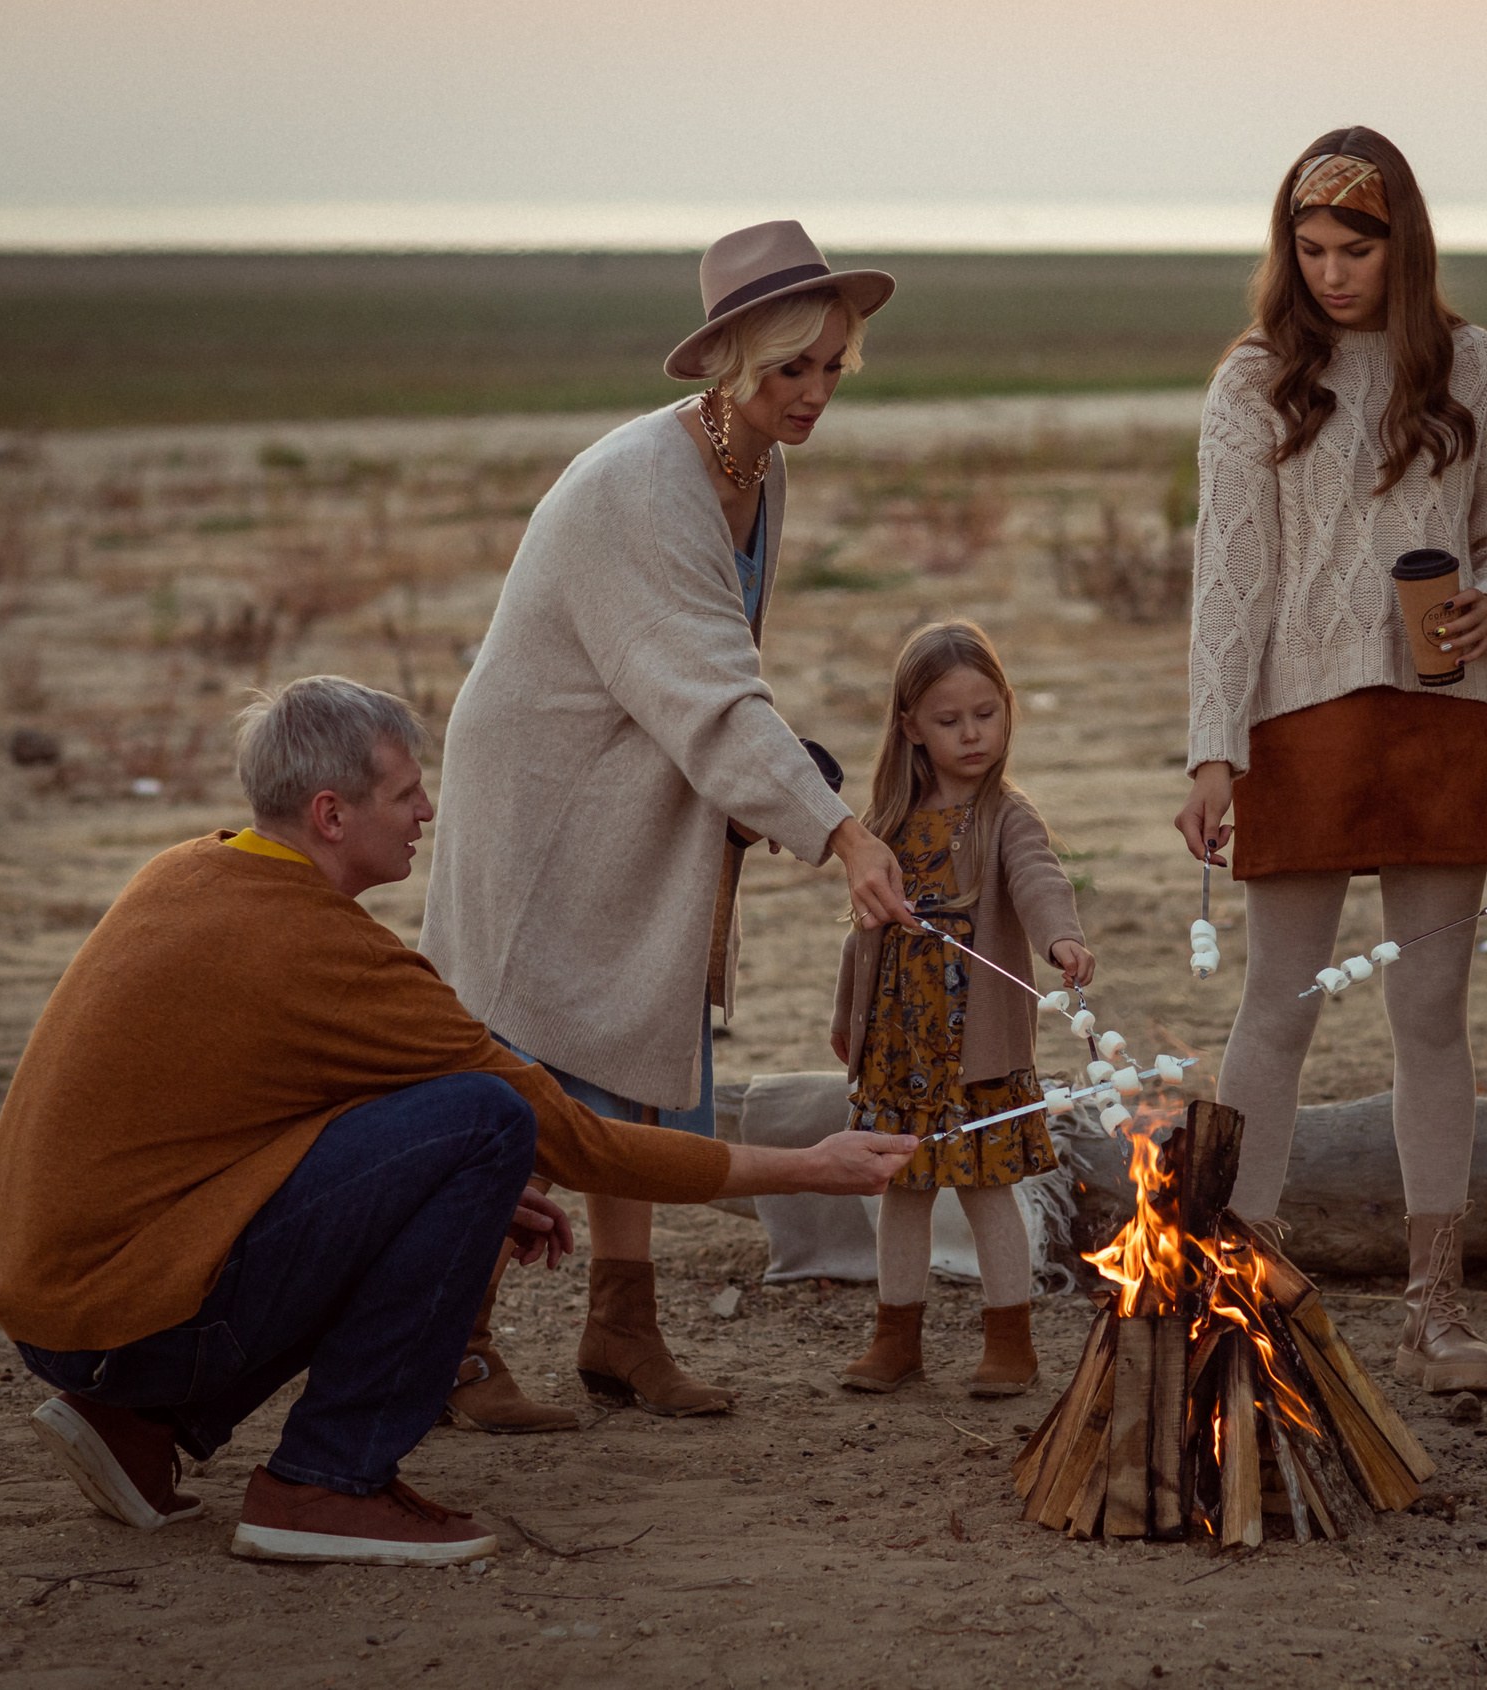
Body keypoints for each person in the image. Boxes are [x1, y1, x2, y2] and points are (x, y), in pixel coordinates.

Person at [0, 677, 914, 1565]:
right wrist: (811, 1167)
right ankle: (326, 1480)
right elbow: (571, 1140)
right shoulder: (332, 956)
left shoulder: (195, 870)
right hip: (122, 1326)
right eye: (404, 794)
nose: (428, 812)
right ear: (330, 815)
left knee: (464, 1140)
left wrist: (448, 1193)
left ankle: (137, 1429)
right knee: (488, 1118)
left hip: (68, 1309)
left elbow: (274, 1114)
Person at [420, 223, 917, 1431]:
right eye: (791, 368)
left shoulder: (758, 467)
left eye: (833, 367)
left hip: (644, 771)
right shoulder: (646, 484)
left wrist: (769, 789)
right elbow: (711, 687)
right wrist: (841, 833)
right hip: (548, 786)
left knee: (642, 1028)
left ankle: (620, 1325)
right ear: (732, 361)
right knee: (528, 1058)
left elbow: (714, 675)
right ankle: (455, 1345)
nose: (815, 392)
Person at [1173, 128, 1487, 1395]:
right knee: (1277, 1004)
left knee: (1429, 1014)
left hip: (1442, 718)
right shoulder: (1255, 381)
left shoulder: (1473, 365)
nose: (1331, 273)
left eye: (1355, 250)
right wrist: (1213, 750)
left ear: (1404, 246)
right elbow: (1229, 582)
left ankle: (1434, 1308)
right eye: (1311, 249)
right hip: (1299, 724)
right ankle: (1238, 1290)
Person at [831, 622, 1094, 1396]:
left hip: (975, 1056)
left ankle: (1010, 1340)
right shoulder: (884, 824)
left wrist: (1062, 939)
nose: (972, 734)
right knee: (902, 1193)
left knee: (986, 1191)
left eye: (986, 714)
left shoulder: (1006, 816)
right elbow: (861, 935)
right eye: (949, 720)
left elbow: (1040, 879)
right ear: (911, 727)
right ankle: (895, 1339)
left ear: (1008, 708)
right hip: (898, 1050)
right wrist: (848, 1017)